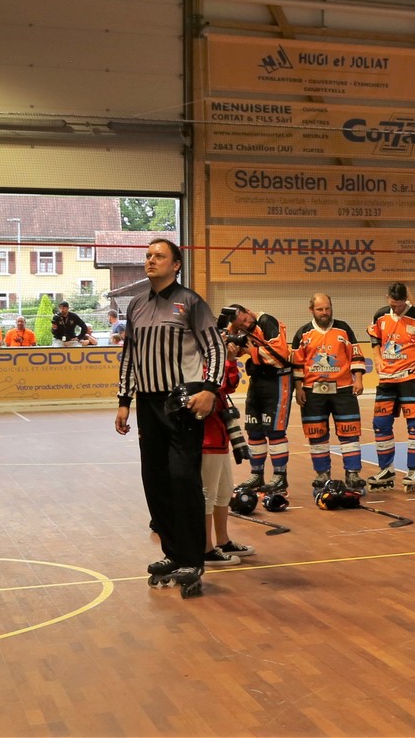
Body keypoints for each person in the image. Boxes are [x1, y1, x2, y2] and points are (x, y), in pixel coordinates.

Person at [114, 239, 224, 599]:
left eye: (159, 256)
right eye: (148, 256)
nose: (151, 260)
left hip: (182, 403)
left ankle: (192, 558)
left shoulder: (190, 302)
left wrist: (210, 389)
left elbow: (215, 347)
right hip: (147, 404)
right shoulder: (136, 304)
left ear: (176, 264)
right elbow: (130, 355)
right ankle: (173, 552)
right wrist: (124, 400)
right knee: (155, 479)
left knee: (183, 478)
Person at [364, 283, 415, 490]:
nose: (395, 308)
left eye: (399, 305)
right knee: (380, 423)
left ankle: (414, 470)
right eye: (392, 304)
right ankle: (386, 469)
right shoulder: (381, 315)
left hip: (412, 380)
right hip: (387, 379)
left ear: (406, 300)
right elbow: (374, 335)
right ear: (387, 298)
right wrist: (377, 357)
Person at [292, 293, 367, 492]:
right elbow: (297, 364)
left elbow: (356, 356)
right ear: (311, 310)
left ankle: (353, 473)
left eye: (327, 308)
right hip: (312, 393)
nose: (324, 312)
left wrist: (358, 379)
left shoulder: (344, 329)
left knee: (350, 433)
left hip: (343, 391)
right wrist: (298, 388)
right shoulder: (303, 333)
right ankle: (322, 474)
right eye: (320, 309)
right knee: (316, 434)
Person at [222, 304, 293, 498]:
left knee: (275, 431)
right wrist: (231, 336)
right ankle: (256, 475)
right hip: (257, 381)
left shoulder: (267, 321)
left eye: (246, 320)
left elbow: (279, 356)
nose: (246, 325)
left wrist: (250, 350)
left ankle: (280, 477)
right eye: (241, 324)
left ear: (248, 311)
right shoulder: (239, 329)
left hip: (277, 381)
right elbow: (233, 349)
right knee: (254, 430)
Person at [200, 342, 247, 566]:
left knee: (224, 491)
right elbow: (222, 385)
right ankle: (205, 548)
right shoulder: (196, 368)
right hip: (207, 440)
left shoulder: (212, 366)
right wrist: (228, 361)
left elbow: (228, 385)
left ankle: (223, 541)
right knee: (207, 495)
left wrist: (230, 360)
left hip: (220, 439)